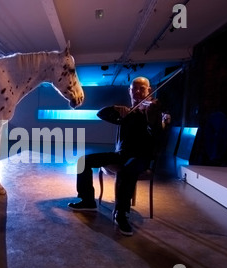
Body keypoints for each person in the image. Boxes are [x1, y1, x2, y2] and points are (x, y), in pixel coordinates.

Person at [68, 76, 163, 236]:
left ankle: (121, 213)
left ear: (149, 91)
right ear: (130, 91)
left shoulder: (152, 112)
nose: (138, 92)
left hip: (141, 157)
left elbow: (158, 132)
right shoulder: (126, 114)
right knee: (83, 161)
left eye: (142, 89)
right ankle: (88, 200)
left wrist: (152, 116)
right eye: (135, 89)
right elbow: (101, 113)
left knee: (126, 171)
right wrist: (116, 108)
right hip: (121, 155)